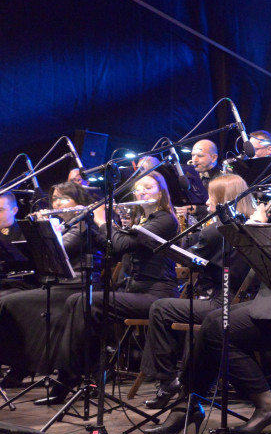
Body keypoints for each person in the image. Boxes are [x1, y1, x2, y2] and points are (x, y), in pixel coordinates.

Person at [145, 146, 271, 434]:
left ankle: (260, 403)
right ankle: (189, 404)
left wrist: (258, 222)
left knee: (218, 328)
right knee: (215, 322)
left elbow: (256, 243)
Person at [40, 172, 180, 404]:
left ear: (161, 192)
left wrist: (103, 221)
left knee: (89, 301)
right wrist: (91, 222)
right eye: (138, 188)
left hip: (156, 295)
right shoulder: (139, 222)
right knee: (77, 301)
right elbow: (111, 247)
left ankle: (78, 377)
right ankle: (83, 373)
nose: (141, 192)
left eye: (148, 187)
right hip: (134, 293)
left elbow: (121, 244)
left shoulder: (165, 220)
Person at [138, 174, 257, 409]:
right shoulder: (253, 223)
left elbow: (188, 260)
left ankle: (168, 379)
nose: (207, 204)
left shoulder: (216, 230)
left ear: (223, 200)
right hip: (246, 302)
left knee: (161, 307)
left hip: (221, 304)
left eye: (211, 198)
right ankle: (181, 379)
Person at [0, 183, 102, 388]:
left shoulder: (82, 226)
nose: (57, 203)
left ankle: (24, 366)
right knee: (6, 302)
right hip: (57, 286)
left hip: (77, 287)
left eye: (64, 198)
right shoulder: (65, 224)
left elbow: (58, 250)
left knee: (9, 303)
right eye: (55, 198)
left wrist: (44, 226)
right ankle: (21, 364)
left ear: (78, 202)